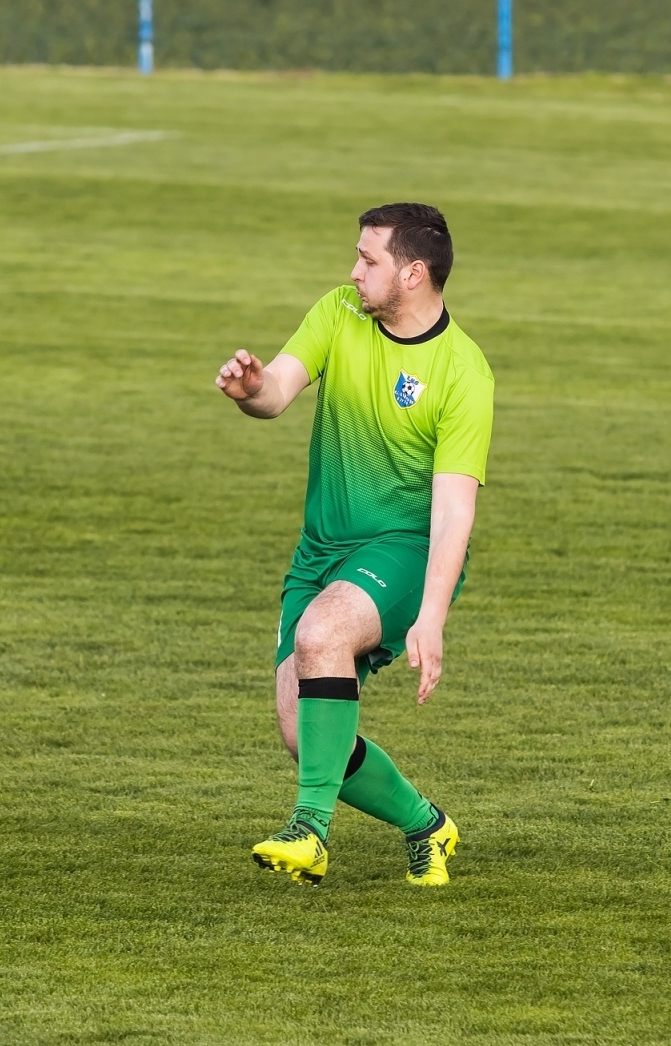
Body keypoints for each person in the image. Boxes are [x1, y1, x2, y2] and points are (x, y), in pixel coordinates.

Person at [214, 203, 494, 887]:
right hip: (321, 552)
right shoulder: (339, 312)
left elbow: (454, 508)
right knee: (304, 733)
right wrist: (252, 389)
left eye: (369, 260)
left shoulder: (463, 371)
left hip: (405, 550)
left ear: (413, 273)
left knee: (322, 632)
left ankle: (309, 831)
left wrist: (432, 615)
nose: (353, 271)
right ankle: (427, 824)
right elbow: (277, 390)